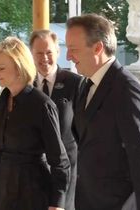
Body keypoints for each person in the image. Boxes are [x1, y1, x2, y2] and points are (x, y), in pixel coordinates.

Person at [66, 14, 140, 210]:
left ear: (97, 48)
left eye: (73, 49)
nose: (69, 56)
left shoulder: (127, 89)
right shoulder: (85, 85)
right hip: (87, 200)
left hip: (117, 203)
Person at [0, 36, 70, 210]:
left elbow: (59, 160)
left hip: (32, 191)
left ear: (19, 67)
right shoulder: (0, 103)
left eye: (2, 68)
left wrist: (57, 202)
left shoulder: (42, 105)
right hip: (0, 189)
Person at [30, 29, 82, 210]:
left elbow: (84, 129)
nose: (44, 58)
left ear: (58, 52)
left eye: (49, 52)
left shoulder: (75, 83)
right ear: (31, 54)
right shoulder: (25, 85)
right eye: (39, 53)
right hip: (35, 170)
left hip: (67, 167)